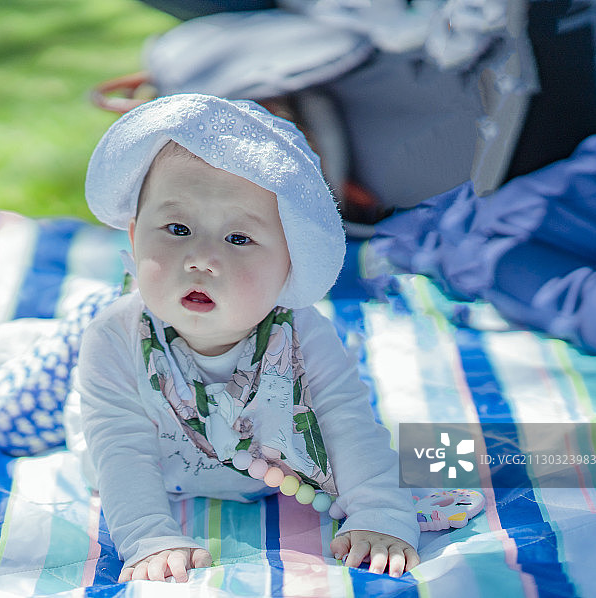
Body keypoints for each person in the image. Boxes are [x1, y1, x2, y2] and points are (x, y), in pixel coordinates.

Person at [72, 93, 420, 583]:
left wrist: (381, 516)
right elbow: (120, 447)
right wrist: (150, 537)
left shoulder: (300, 335)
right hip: (161, 471)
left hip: (269, 471)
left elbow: (347, 422)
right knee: (17, 411)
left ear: (288, 265)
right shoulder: (115, 338)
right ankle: (53, 350)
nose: (201, 259)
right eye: (177, 228)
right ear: (133, 237)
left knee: (433, 450)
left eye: (239, 239)